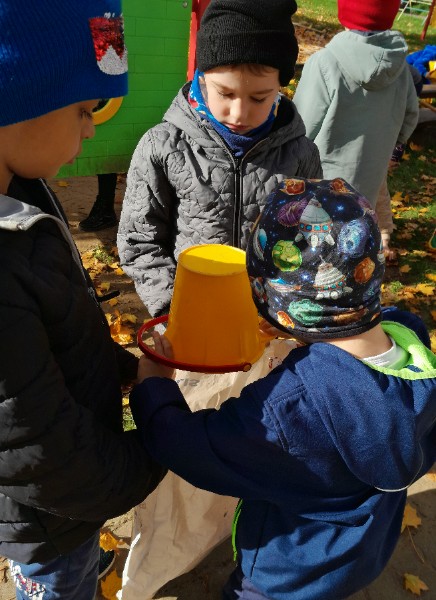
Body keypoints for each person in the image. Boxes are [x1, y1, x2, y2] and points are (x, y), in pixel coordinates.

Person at [129, 176, 436, 600]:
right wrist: (301, 334)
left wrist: (154, 387)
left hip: (284, 573)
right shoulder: (411, 341)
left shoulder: (291, 408)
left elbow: (193, 447)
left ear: (274, 297)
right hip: (361, 553)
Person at [0, 2, 165, 599]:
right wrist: (160, 437)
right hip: (47, 521)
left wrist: (121, 367)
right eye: (83, 110)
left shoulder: (22, 188)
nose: (91, 129)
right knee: (60, 583)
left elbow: (47, 343)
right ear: (18, 99)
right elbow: (46, 457)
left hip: (64, 505)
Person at [117, 0, 322, 319]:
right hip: (190, 312)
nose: (239, 113)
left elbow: (311, 240)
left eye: (259, 98)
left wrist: (289, 307)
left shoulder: (301, 154)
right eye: (225, 93)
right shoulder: (163, 146)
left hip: (268, 320)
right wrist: (172, 307)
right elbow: (140, 239)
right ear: (201, 78)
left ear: (280, 87)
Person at [293, 0, 419, 209]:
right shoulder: (401, 69)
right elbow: (410, 116)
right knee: (356, 224)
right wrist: (388, 145)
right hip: (370, 180)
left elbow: (302, 125)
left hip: (321, 181)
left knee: (318, 226)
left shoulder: (324, 62)